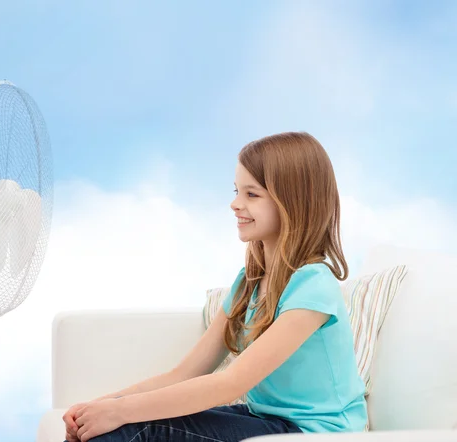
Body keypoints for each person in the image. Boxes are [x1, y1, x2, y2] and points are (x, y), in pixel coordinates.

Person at [62, 132, 368, 442]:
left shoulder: (313, 284)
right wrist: (102, 406)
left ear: (294, 201)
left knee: (136, 427)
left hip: (310, 433)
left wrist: (121, 412)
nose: (235, 204)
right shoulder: (250, 281)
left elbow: (231, 383)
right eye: (237, 191)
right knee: (112, 427)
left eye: (252, 194)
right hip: (264, 419)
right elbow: (182, 375)